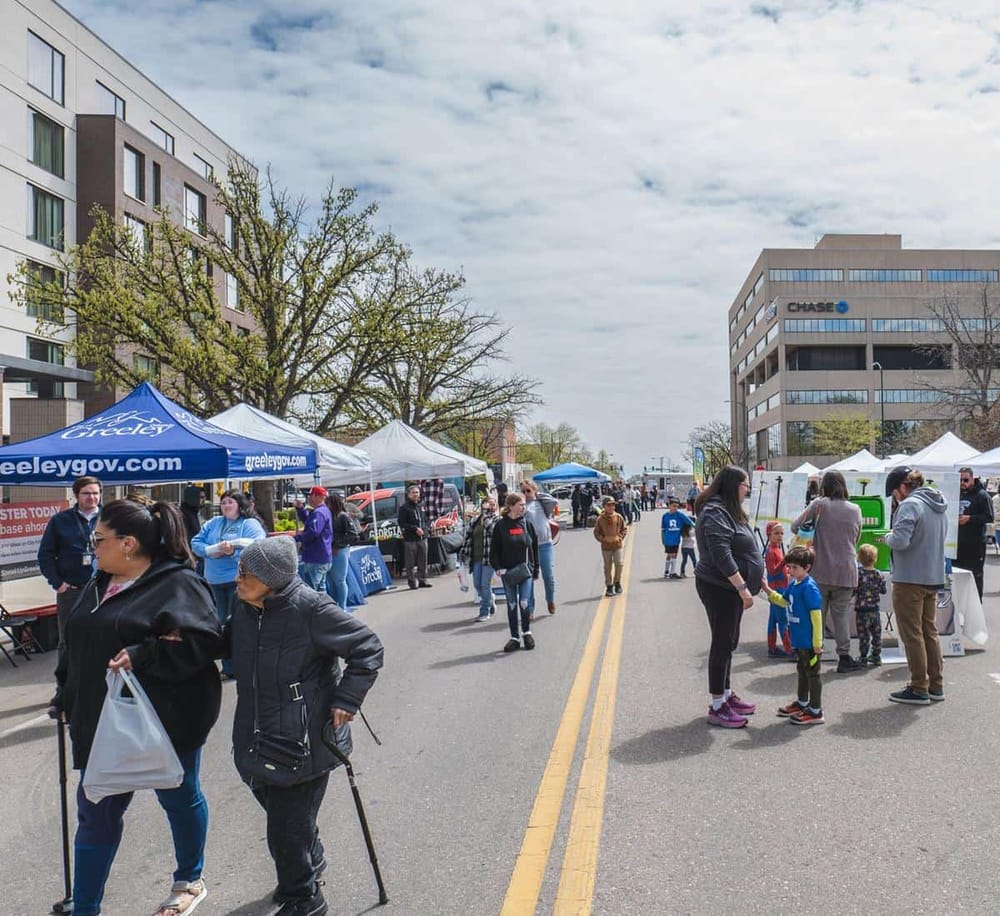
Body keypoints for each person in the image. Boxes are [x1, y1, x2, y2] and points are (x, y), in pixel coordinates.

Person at [51, 497, 224, 916]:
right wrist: (65, 690)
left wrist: (145, 654)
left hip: (164, 719)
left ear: (128, 543)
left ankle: (189, 879)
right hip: (100, 719)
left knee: (179, 796)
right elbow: (76, 642)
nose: (93, 547)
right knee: (96, 810)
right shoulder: (98, 583)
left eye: (99, 539)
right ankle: (86, 907)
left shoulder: (178, 584)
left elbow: (204, 644)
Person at [230, 536, 383, 916]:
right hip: (256, 734)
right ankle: (308, 863)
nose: (237, 579)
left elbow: (368, 648)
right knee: (286, 819)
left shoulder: (312, 608)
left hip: (304, 739)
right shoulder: (248, 608)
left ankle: (305, 898)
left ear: (270, 577)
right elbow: (222, 643)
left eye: (244, 572)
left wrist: (347, 700)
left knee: (285, 829)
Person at [694, 465, 764, 728]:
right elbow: (721, 553)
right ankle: (717, 705)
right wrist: (742, 587)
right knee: (722, 643)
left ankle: (725, 694)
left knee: (730, 642)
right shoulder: (715, 512)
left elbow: (745, 548)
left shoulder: (730, 510)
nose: (748, 490)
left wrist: (760, 578)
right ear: (735, 485)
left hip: (731, 587)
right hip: (719, 587)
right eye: (746, 485)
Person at [884, 466, 948, 705]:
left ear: (903, 486)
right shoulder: (937, 504)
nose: (895, 498)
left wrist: (888, 536)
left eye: (894, 493)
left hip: (909, 578)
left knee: (912, 634)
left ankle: (919, 686)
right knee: (929, 631)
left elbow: (900, 541)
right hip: (932, 575)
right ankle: (936, 685)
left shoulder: (910, 505)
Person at [791, 471, 864, 673]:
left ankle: (813, 656)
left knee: (817, 615)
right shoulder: (855, 509)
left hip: (820, 571)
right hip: (846, 571)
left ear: (824, 486)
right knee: (841, 616)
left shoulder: (818, 505)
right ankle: (844, 657)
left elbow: (795, 527)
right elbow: (856, 537)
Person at [191, 490, 266, 681]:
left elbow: (258, 544)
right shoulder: (214, 523)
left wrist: (232, 550)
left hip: (238, 581)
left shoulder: (249, 524)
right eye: (223, 502)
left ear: (240, 505)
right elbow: (195, 543)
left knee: (240, 623)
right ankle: (228, 667)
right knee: (221, 624)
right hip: (214, 581)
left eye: (230, 502)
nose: (225, 506)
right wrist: (211, 550)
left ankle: (247, 665)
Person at [38, 475, 103, 652]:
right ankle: (67, 679)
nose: (92, 497)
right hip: (72, 590)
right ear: (76, 495)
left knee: (102, 638)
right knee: (69, 640)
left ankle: (98, 679)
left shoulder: (111, 518)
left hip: (104, 589)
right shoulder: (60, 521)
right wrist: (58, 583)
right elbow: (45, 555)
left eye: (96, 493)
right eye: (86, 493)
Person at [769, 545, 825, 725]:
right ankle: (802, 702)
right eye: (789, 567)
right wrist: (768, 591)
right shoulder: (793, 584)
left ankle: (816, 711)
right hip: (799, 639)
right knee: (801, 670)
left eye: (794, 567)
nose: (790, 571)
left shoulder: (809, 587)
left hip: (809, 642)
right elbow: (784, 601)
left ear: (807, 567)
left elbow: (816, 616)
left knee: (813, 674)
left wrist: (817, 642)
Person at [489, 492, 540, 653]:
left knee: (524, 602)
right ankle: (514, 637)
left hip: (525, 571)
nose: (523, 508)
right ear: (510, 506)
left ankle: (527, 633)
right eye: (520, 505)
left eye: (524, 505)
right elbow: (494, 550)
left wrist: (535, 568)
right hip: (508, 573)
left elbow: (534, 548)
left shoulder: (527, 524)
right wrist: (497, 567)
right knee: (511, 605)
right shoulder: (501, 525)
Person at [459, 495, 499, 621]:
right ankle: (490, 599)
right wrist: (463, 553)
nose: (490, 507)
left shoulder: (497, 520)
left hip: (489, 558)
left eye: (493, 504)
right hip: (476, 558)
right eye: (488, 504)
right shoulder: (475, 520)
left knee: (484, 584)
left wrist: (486, 515)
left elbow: (492, 531)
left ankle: (484, 611)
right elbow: (468, 537)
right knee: (477, 584)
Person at [521, 480, 557, 615]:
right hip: (529, 547)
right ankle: (530, 609)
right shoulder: (522, 506)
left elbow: (553, 501)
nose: (526, 493)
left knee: (548, 576)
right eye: (523, 491)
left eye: (528, 490)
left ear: (534, 490)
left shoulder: (542, 503)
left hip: (545, 544)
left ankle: (550, 600)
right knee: (529, 577)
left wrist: (537, 494)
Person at [956, 466, 992, 601]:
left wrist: (970, 519)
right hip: (957, 544)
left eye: (965, 480)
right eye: (960, 480)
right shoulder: (957, 494)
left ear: (972, 479)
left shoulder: (982, 495)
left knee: (975, 576)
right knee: (957, 577)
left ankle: (977, 608)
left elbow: (989, 517)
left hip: (975, 544)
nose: (962, 483)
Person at [295, 486, 334, 592]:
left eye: (311, 496)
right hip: (323, 556)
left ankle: (315, 609)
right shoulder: (323, 511)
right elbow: (309, 521)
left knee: (311, 590)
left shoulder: (319, 513)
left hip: (316, 557)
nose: (309, 498)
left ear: (318, 497)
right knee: (321, 589)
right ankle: (325, 608)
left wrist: (297, 538)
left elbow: (313, 532)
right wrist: (301, 509)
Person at [764, 521, 793, 658]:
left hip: (779, 587)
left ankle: (772, 647)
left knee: (773, 620)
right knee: (783, 620)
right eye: (776, 533)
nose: (780, 536)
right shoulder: (771, 552)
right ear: (769, 534)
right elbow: (773, 571)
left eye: (781, 533)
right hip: (777, 589)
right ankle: (789, 650)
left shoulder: (777, 549)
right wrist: (785, 561)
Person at [854, 543, 886, 666]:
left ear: (859, 558)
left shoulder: (858, 574)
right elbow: (883, 590)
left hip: (861, 610)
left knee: (863, 636)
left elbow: (854, 589)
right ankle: (876, 656)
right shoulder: (878, 574)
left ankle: (863, 657)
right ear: (875, 558)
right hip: (875, 609)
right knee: (877, 634)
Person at [326, 493, 356, 611]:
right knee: (331, 580)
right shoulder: (328, 516)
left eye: (327, 503)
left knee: (339, 579)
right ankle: (334, 606)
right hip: (330, 550)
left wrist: (337, 545)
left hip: (340, 550)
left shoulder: (342, 516)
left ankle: (342, 607)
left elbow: (353, 535)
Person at [397, 484, 431, 590]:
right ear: (408, 495)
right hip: (410, 539)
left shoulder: (421, 506)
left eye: (417, 492)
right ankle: (412, 582)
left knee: (423, 561)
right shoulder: (404, 508)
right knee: (410, 563)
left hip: (423, 538)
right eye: (413, 493)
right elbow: (402, 523)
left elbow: (426, 519)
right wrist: (415, 529)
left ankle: (422, 580)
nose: (416, 494)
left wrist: (426, 529)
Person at [593, 496, 627, 597]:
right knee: (607, 566)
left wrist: (619, 538)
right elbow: (596, 532)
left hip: (617, 545)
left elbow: (624, 529)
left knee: (619, 564)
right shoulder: (600, 519)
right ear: (604, 506)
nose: (611, 507)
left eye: (613, 505)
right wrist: (603, 539)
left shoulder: (618, 517)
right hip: (606, 547)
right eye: (609, 505)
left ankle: (617, 583)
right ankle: (609, 585)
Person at [661, 497, 693, 579]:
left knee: (674, 555)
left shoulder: (679, 514)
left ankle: (670, 572)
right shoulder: (665, 516)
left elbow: (689, 522)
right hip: (668, 539)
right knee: (670, 555)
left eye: (677, 506)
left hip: (676, 539)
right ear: (669, 506)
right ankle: (668, 571)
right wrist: (663, 540)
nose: (675, 508)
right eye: (673, 506)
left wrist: (697, 527)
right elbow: (663, 529)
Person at [179, 486, 205, 575]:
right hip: (191, 559)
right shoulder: (183, 514)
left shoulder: (193, 512)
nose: (204, 500)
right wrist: (190, 556)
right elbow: (183, 538)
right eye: (201, 497)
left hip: (196, 557)